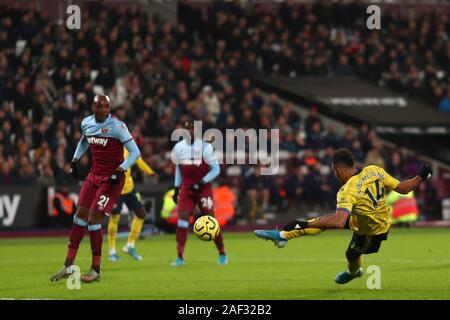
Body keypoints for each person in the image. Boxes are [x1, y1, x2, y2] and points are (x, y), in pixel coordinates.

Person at [254, 148, 432, 284]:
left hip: (373, 229)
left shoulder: (347, 191)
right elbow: (403, 188)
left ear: (338, 170)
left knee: (350, 254)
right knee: (323, 221)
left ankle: (354, 272)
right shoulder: (374, 170)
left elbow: (339, 222)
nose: (334, 174)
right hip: (364, 217)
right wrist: (421, 176)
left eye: (334, 171)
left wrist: (304, 224)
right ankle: (282, 236)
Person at [50, 94, 140, 283]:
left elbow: (135, 152)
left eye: (106, 106)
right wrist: (75, 159)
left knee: (93, 219)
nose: (103, 110)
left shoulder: (117, 126)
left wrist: (120, 169)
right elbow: (84, 140)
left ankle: (96, 268)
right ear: (93, 107)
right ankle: (68, 265)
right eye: (100, 107)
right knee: (79, 216)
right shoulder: (86, 123)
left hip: (112, 179)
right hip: (94, 175)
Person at [171, 120, 227, 266]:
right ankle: (180, 257)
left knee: (210, 219)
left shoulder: (205, 147)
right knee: (182, 219)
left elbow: (216, 169)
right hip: (187, 189)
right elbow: (178, 169)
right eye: (188, 128)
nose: (190, 131)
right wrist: (176, 188)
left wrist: (201, 182)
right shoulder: (178, 147)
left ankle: (222, 252)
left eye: (193, 129)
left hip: (203, 190)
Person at [107, 147, 158, 261]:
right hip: (115, 189)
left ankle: (130, 245)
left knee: (141, 214)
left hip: (129, 188)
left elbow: (139, 161)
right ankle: (112, 251)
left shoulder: (128, 147)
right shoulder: (110, 148)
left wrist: (150, 172)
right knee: (115, 217)